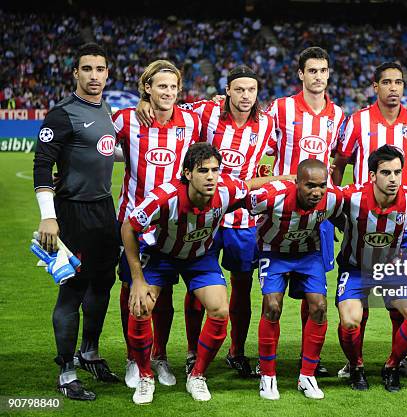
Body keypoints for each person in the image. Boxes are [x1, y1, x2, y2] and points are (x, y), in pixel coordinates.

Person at [122, 142, 290, 404]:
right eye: (203, 171)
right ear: (188, 173)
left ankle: (197, 375)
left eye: (215, 170)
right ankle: (145, 376)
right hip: (161, 256)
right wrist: (137, 279)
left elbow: (252, 184)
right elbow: (129, 227)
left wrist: (286, 178)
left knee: (220, 310)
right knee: (141, 306)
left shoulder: (225, 190)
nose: (211, 176)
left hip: (200, 258)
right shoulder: (164, 197)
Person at [137, 65, 274, 378]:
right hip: (203, 215)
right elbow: (168, 108)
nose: (245, 96)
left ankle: (236, 351)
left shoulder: (267, 122)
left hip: (241, 216)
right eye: (238, 89)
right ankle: (190, 351)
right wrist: (143, 103)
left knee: (241, 285)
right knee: (196, 283)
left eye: (251, 90)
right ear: (227, 90)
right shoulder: (205, 112)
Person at [333, 61, 407, 378]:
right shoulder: (358, 121)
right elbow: (340, 164)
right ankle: (355, 360)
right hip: (362, 219)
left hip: (401, 220)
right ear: (375, 87)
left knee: (398, 299)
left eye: (399, 82)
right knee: (357, 296)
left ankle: (397, 359)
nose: (393, 88)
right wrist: (342, 218)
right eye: (386, 82)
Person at [33, 42, 120, 400]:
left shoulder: (106, 107)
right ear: (75, 73)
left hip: (104, 209)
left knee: (102, 285)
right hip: (72, 212)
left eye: (100, 69)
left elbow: (103, 149)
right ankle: (67, 372)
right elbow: (41, 164)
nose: (94, 76)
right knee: (72, 291)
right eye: (87, 69)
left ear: (107, 73)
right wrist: (49, 218)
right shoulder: (62, 114)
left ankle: (90, 352)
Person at [113, 60, 201, 388]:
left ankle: (159, 355)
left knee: (163, 294)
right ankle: (132, 358)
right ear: (147, 88)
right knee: (132, 290)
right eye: (160, 86)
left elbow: (226, 102)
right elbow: (96, 146)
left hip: (174, 224)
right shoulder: (124, 120)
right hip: (133, 222)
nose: (167, 92)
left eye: (173, 87)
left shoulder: (191, 121)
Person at [266, 46, 346, 377]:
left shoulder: (339, 114)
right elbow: (262, 147)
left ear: (329, 74)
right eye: (311, 71)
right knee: (271, 291)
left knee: (313, 288)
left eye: (322, 70)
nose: (317, 76)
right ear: (301, 74)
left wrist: (333, 205)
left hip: (318, 213)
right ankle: (245, 353)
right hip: (282, 212)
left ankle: (306, 356)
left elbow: (338, 161)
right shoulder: (281, 108)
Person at [334, 145, 407, 392]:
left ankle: (392, 366)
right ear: (372, 175)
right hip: (356, 268)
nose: (393, 179)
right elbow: (326, 203)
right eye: (386, 172)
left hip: (392, 270)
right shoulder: (352, 197)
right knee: (350, 320)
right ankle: (356, 367)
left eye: (397, 172)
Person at [247, 159, 344, 400]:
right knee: (272, 306)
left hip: (308, 252)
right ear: (296, 182)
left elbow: (356, 205)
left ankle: (307, 376)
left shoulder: (332, 199)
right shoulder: (270, 196)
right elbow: (240, 195)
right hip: (274, 250)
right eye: (310, 185)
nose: (317, 192)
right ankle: (267, 376)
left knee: (320, 307)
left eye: (322, 185)